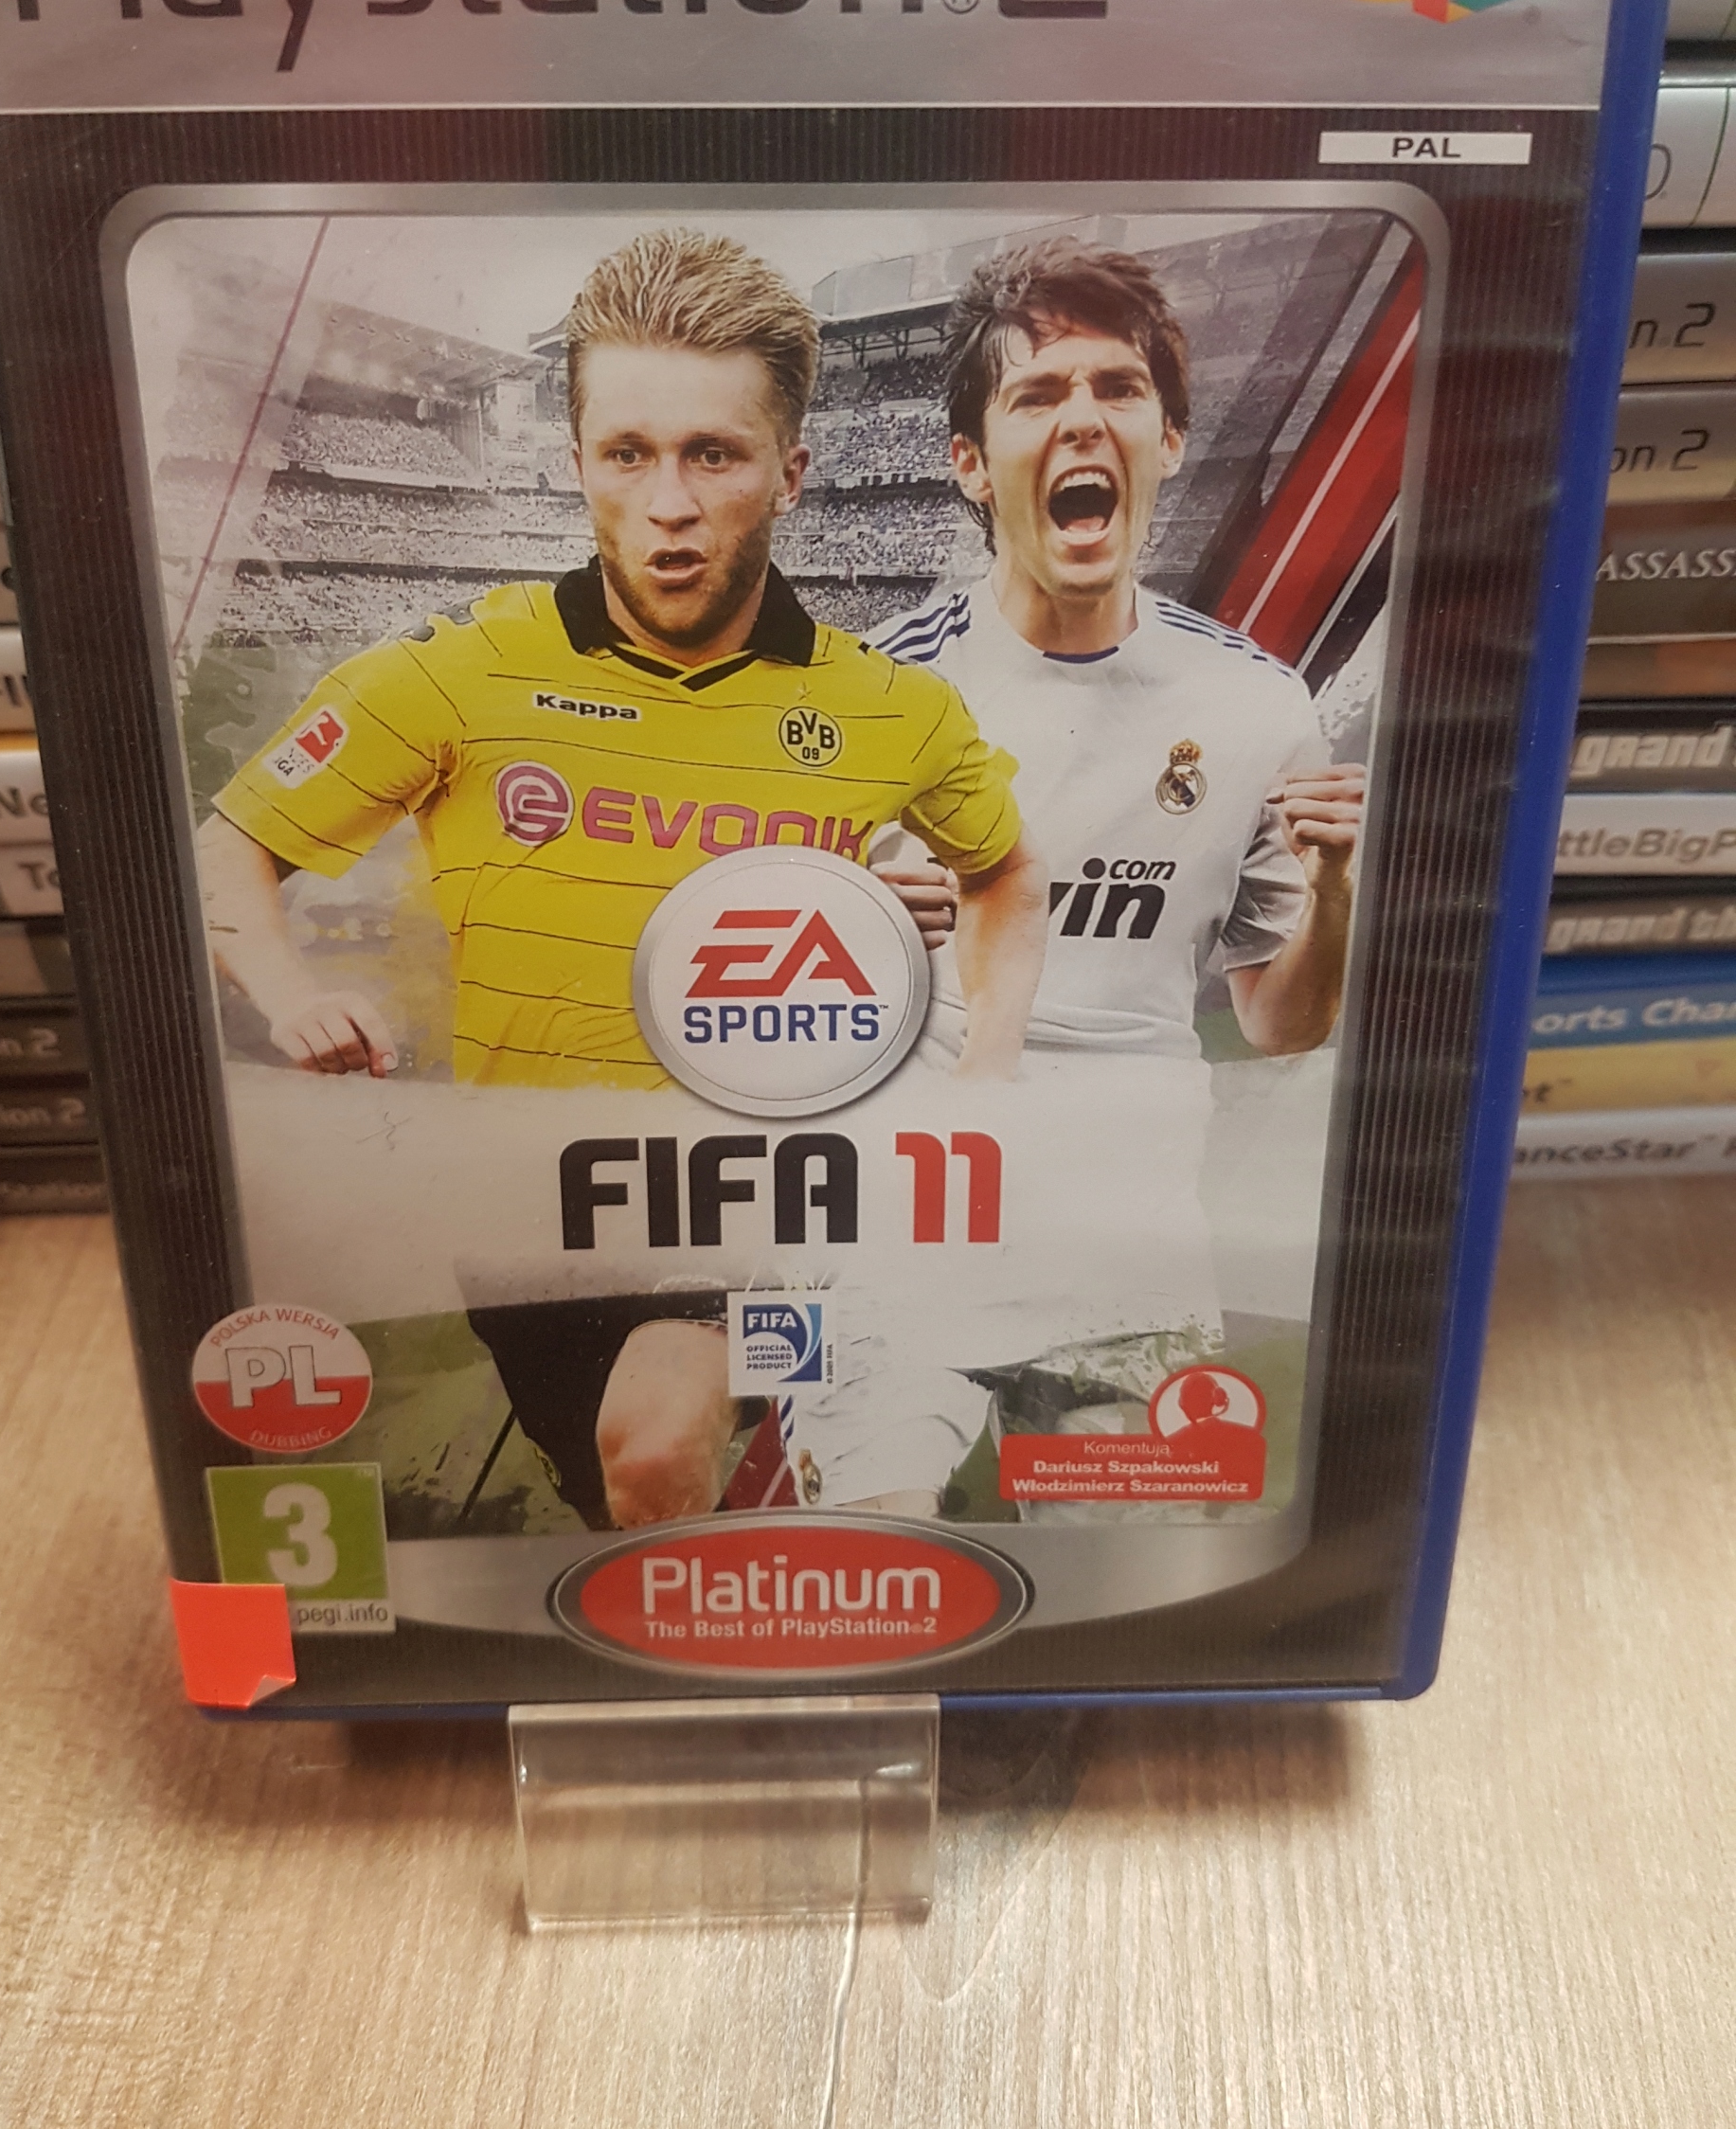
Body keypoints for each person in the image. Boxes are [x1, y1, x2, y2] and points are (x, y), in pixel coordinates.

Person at [197, 227, 1047, 1530]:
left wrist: (985, 1075)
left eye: (714, 453)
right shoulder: (458, 674)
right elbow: (234, 841)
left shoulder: (892, 711)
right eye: (628, 453)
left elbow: (1007, 868)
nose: (669, 501)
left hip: (767, 1199)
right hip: (529, 1220)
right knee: (617, 1487)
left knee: (653, 1440)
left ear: (790, 473)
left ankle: (787, 1609)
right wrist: (288, 988)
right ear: (576, 462)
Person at [785, 235, 1367, 1515]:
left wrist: (1331, 891)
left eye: (1118, 388)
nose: (1083, 418)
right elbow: (765, 1013)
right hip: (903, 1220)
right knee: (869, 1559)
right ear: (970, 463)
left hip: (1126, 1241)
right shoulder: (874, 698)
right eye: (1038, 394)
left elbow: (1282, 1024)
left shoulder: (1257, 705)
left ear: (1169, 439)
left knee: (1123, 1572)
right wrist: (854, 923)